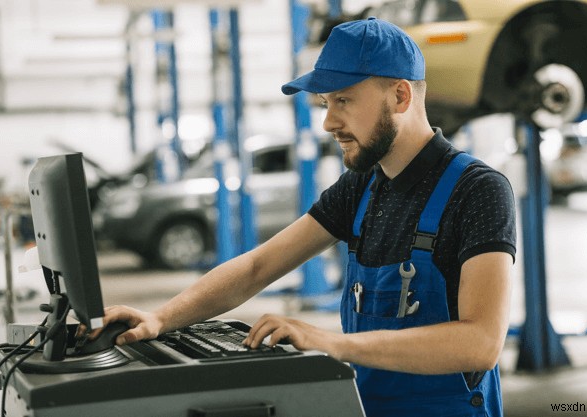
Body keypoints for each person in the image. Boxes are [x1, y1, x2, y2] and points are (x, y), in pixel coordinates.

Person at [100, 17, 516, 417]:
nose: (329, 122)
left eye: (343, 101)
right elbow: (257, 267)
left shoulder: (477, 190)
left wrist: (331, 343)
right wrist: (160, 318)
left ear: (400, 97)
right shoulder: (362, 188)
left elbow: (480, 342)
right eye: (325, 103)